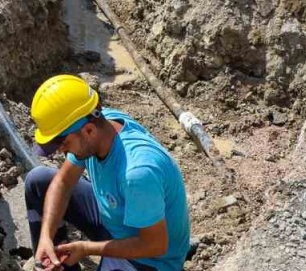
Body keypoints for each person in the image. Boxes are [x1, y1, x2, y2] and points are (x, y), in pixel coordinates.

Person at [26, 74, 191, 271]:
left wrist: (86, 249)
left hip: (150, 260)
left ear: (88, 131)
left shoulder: (137, 173)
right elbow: (63, 183)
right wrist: (46, 236)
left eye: (63, 143)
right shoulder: (100, 124)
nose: (61, 150)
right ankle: (51, 261)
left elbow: (154, 245)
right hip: (117, 223)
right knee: (38, 180)